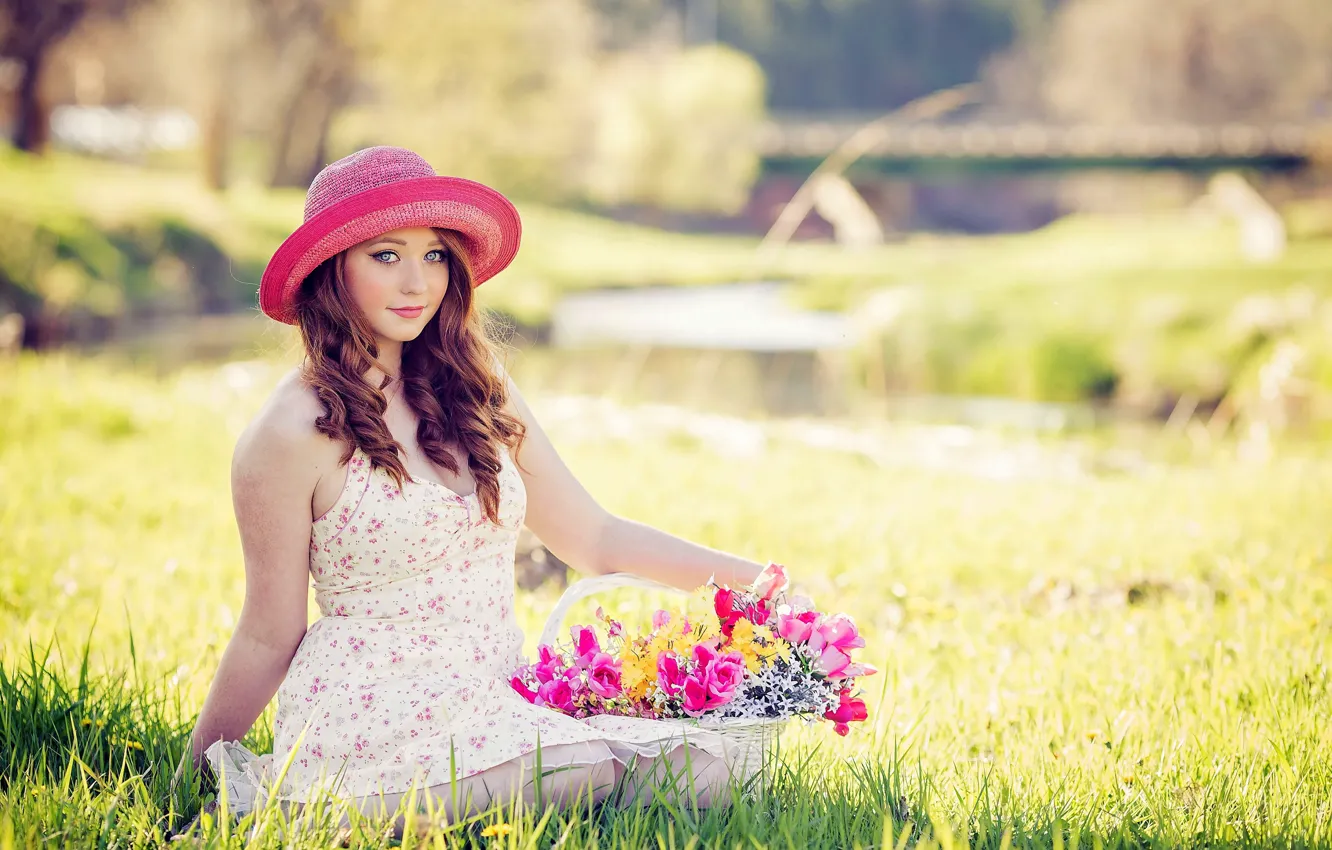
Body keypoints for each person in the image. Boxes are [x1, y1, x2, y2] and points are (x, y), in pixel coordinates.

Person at [170, 146, 767, 837]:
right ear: (333, 271)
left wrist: (753, 582)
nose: (416, 281)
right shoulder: (290, 432)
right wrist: (191, 778)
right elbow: (269, 632)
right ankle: (321, 813)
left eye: (434, 256)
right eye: (386, 256)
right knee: (572, 769)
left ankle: (484, 801)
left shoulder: (477, 388)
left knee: (711, 771)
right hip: (372, 706)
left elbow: (594, 536)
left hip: (491, 688)